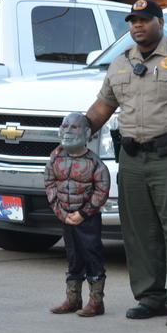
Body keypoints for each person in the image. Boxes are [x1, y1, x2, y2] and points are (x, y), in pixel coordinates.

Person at [84, 0, 167, 328]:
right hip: (131, 157)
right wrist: (77, 131)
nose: (136, 26)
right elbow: (103, 107)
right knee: (139, 231)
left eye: (143, 20)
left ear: (159, 21)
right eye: (131, 21)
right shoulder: (120, 63)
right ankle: (150, 296)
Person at [45, 112, 112, 317]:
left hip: (88, 220)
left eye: (74, 127)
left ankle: (96, 301)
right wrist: (61, 212)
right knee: (73, 257)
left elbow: (102, 190)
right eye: (65, 126)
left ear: (87, 133)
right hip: (66, 217)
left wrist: (83, 213)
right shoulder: (56, 159)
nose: (67, 131)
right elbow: (49, 183)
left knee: (92, 255)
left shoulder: (94, 163)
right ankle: (73, 298)